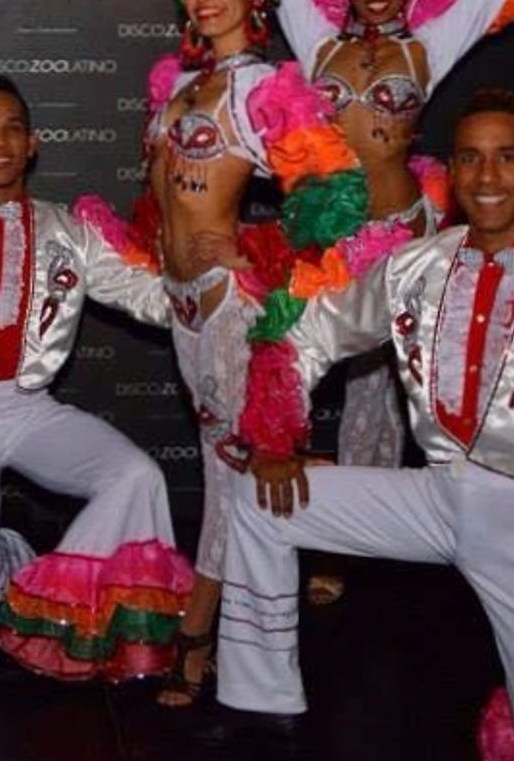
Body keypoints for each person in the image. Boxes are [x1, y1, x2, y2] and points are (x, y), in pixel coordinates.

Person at [209, 0, 514, 498]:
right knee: (296, 355)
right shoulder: (317, 44)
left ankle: (368, 528)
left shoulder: (427, 47)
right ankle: (303, 502)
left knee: (383, 396)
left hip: (405, 239)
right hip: (333, 241)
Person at [214, 88, 514, 735]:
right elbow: (311, 331)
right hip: (436, 496)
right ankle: (261, 705)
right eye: (470, 158)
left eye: (507, 157)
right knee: (259, 502)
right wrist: (274, 437)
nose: (487, 176)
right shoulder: (415, 266)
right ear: (453, 171)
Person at [143, 0, 350, 704]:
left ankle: (201, 630)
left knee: (232, 467)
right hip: (182, 303)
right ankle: (252, 603)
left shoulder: (266, 87)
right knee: (220, 461)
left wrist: (276, 277)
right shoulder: (181, 87)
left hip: (229, 303)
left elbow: (333, 197)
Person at [0, 75, 193, 681]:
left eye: (13, 129)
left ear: (32, 144)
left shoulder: (70, 230)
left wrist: (211, 290)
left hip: (29, 411)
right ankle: (9, 547)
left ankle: (69, 598)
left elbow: (145, 295)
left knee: (136, 475)